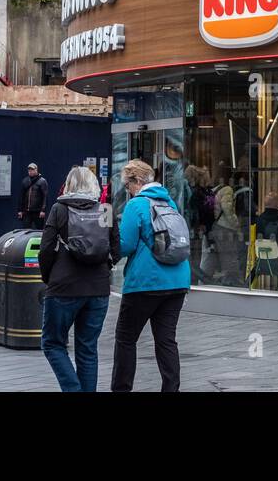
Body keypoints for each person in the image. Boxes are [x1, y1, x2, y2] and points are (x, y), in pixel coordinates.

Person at [111, 160, 191, 392]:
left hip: (145, 283)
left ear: (136, 181)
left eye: (127, 186)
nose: (127, 191)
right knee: (166, 340)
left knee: (126, 339)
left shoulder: (136, 205)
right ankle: (171, 389)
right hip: (177, 281)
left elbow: (125, 245)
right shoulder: (169, 202)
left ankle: (121, 389)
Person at [39, 165, 121, 392]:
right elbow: (116, 248)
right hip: (98, 289)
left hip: (63, 286)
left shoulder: (59, 209)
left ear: (69, 185)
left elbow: (46, 249)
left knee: (53, 343)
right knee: (87, 348)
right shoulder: (105, 209)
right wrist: (105, 268)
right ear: (94, 185)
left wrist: (48, 277)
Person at [18, 163, 50, 229]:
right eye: (29, 170)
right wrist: (20, 210)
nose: (30, 171)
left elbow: (45, 197)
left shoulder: (42, 181)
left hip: (38, 212)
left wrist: (43, 210)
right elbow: (21, 196)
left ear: (36, 170)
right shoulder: (25, 181)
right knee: (26, 231)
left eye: (32, 169)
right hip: (27, 211)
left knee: (39, 230)